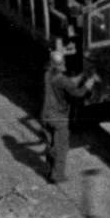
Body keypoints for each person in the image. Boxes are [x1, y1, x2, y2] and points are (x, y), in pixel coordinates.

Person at [38, 38, 79, 186]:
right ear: (60, 65)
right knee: (61, 147)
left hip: (45, 115)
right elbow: (77, 92)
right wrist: (89, 81)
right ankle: (57, 176)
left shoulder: (47, 74)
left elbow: (65, 80)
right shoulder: (63, 80)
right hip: (59, 118)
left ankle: (50, 170)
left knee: (50, 144)